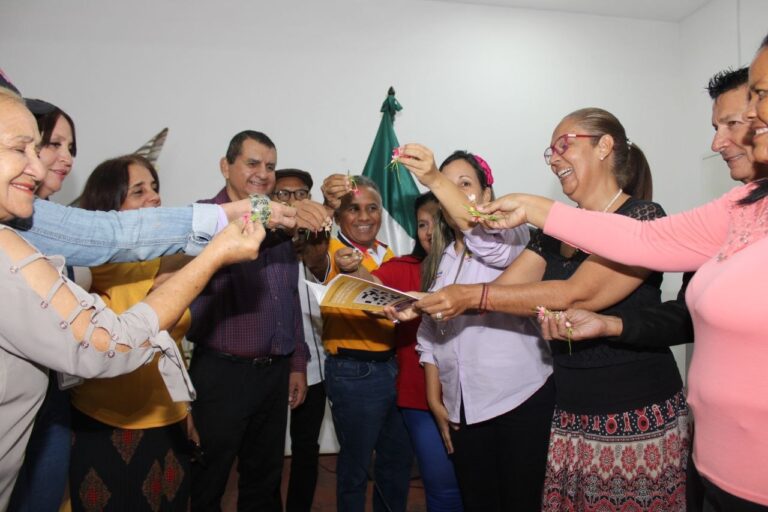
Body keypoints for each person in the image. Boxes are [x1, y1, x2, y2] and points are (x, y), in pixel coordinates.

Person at [477, 36, 768, 512]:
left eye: (741, 118)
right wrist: (536, 212)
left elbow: (588, 282)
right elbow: (670, 291)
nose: (719, 141)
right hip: (703, 459)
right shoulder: (738, 209)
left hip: (646, 417)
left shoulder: (645, 211)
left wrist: (534, 213)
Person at [405, 111, 688, 512]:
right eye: (550, 152)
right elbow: (502, 291)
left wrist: (468, 297)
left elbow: (575, 293)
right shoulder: (554, 236)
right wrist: (425, 304)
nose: (553, 159)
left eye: (563, 145)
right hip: (571, 410)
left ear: (604, 146)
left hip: (632, 409)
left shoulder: (642, 218)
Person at [0, 87, 263, 510]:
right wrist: (213, 254)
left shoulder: (15, 235)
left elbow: (168, 345)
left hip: (154, 417)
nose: (42, 163)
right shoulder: (21, 248)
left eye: (45, 146)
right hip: (101, 418)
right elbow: (108, 342)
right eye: (24, 147)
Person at [387, 149, 553, 511]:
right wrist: (436, 399)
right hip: (464, 406)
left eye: (465, 184)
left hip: (517, 398)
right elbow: (431, 337)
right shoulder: (445, 260)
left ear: (488, 194)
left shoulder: (513, 238)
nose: (455, 192)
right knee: (477, 501)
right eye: (448, 185)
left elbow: (482, 236)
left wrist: (433, 177)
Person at [187, 131, 329, 511]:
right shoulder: (205, 218)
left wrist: (297, 364)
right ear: (225, 166)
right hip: (221, 374)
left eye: (269, 166)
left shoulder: (283, 231)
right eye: (252, 163)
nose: (263, 173)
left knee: (264, 482)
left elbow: (289, 302)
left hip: (274, 374)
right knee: (208, 478)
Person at [67, 155, 194, 511]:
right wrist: (166, 279)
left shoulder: (171, 257)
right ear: (110, 203)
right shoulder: (89, 266)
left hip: (168, 420)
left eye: (154, 188)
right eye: (138, 191)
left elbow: (174, 346)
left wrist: (186, 410)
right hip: (104, 422)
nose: (154, 197)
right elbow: (131, 334)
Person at [318, 173, 413, 512]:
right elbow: (316, 261)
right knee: (356, 469)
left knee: (396, 463)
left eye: (372, 208)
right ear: (339, 215)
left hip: (394, 368)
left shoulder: (390, 255)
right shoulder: (327, 250)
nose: (363, 217)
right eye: (353, 209)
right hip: (352, 371)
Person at [369, 192, 464, 512]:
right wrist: (348, 266)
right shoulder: (403, 268)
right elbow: (362, 288)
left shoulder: (479, 270)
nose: (428, 232)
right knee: (442, 488)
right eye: (422, 224)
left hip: (473, 396)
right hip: (419, 398)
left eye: (436, 222)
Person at [8, 98, 79, 512]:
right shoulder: (18, 228)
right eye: (50, 144)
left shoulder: (48, 217)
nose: (63, 158)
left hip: (53, 398)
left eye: (70, 147)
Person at [273, 168, 330, 512]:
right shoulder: (259, 243)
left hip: (314, 367)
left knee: (305, 449)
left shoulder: (319, 241)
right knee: (264, 452)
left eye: (301, 193)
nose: (293, 201)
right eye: (283, 194)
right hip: (271, 366)